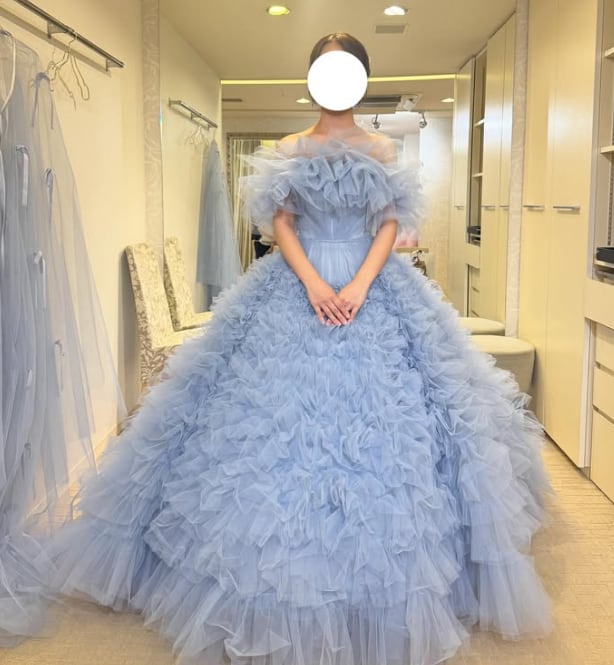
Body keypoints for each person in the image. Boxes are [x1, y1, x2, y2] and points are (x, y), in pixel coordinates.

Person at [47, 32, 552, 665]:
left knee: (402, 425)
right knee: (260, 425)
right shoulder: (288, 148)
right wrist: (313, 282)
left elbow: (390, 222)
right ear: (313, 77)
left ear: (361, 77)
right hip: (296, 283)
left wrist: (360, 284)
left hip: (372, 285)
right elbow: (280, 222)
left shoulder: (381, 147)